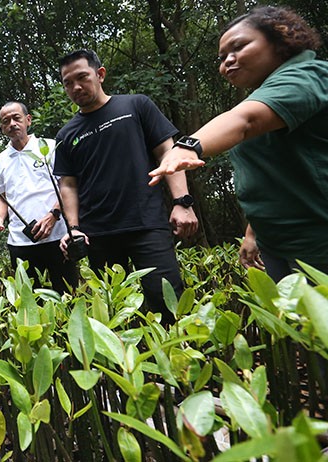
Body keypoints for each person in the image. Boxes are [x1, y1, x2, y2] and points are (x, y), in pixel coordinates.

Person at [149, 6, 327, 282]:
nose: (227, 62)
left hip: (317, 241)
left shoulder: (306, 75)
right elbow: (272, 177)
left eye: (239, 47)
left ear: (279, 39)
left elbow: (245, 120)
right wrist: (253, 233)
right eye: (221, 58)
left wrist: (187, 146)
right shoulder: (265, 93)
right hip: (277, 243)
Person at [54, 49, 199, 324]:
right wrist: (73, 229)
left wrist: (182, 202)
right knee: (114, 314)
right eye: (68, 82)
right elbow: (69, 185)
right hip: (98, 235)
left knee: (168, 303)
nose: (76, 87)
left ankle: (181, 352)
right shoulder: (66, 134)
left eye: (82, 77)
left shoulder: (136, 106)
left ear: (100, 74)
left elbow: (168, 153)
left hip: (147, 224)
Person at [0, 101, 78, 293]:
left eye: (16, 118)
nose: (12, 124)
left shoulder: (50, 147)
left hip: (58, 237)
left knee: (68, 295)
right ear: (2, 128)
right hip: (20, 241)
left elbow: (67, 186)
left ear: (28, 120)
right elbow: (3, 197)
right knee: (30, 301)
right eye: (6, 121)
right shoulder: (0, 160)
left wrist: (54, 215)